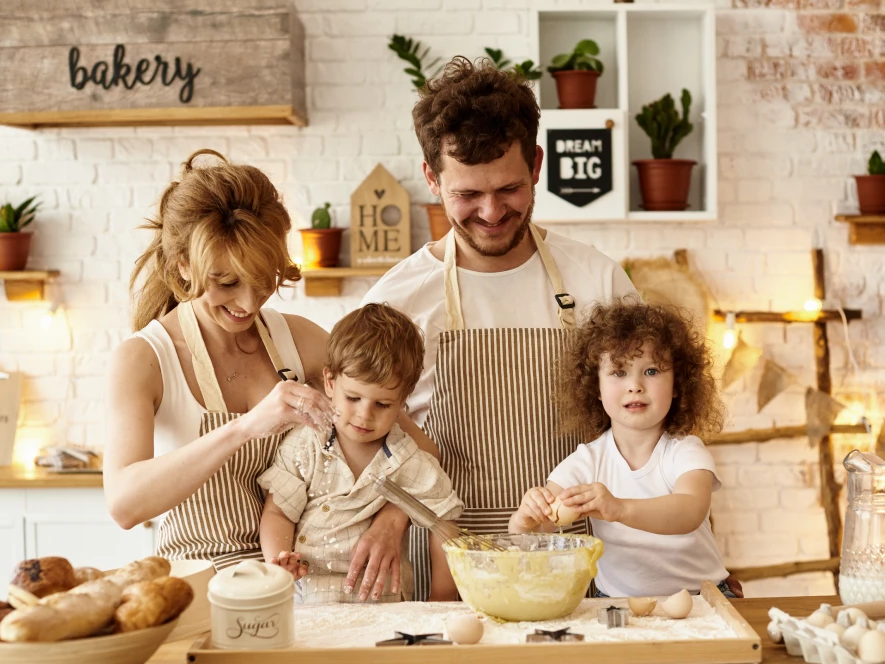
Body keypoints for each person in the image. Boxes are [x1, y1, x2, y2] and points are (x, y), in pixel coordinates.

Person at [361, 57, 638, 600]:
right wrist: (390, 514)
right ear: (432, 179)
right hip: (447, 562)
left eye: (508, 188)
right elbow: (359, 433)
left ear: (536, 164)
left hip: (578, 558)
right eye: (467, 195)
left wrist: (698, 550)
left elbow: (653, 429)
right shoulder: (396, 300)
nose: (490, 212)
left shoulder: (598, 280)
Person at [104, 150, 433, 600]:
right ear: (183, 264)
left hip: (298, 592)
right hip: (197, 592)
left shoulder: (300, 341)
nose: (248, 302)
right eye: (226, 282)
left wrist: (392, 518)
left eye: (262, 279)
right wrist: (245, 427)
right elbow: (124, 503)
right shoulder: (145, 359)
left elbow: (420, 449)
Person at [509, 300, 738, 599]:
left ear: (678, 384)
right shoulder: (587, 461)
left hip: (702, 598)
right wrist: (523, 522)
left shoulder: (684, 450)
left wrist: (618, 508)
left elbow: (689, 511)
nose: (635, 385)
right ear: (596, 388)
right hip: (619, 605)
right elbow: (542, 529)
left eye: (652, 371)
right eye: (619, 373)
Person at [256, 304, 463, 603]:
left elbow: (444, 526)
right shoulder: (306, 445)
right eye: (353, 398)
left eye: (382, 405)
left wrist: (440, 600)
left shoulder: (410, 462)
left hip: (383, 607)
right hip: (309, 599)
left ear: (403, 400)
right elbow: (278, 511)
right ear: (329, 382)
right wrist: (279, 561)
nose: (364, 416)